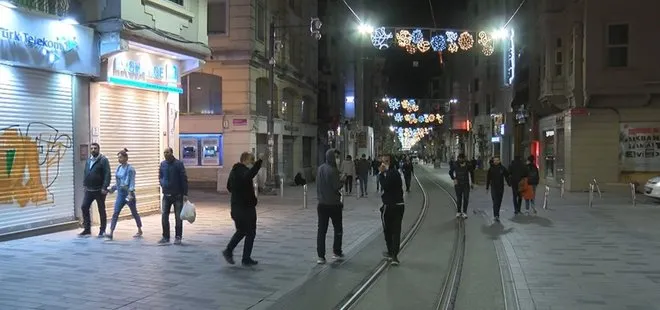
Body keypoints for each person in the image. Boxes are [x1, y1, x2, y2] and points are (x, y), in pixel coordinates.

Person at [223, 152, 263, 266]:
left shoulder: (234, 171)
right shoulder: (241, 171)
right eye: (251, 160)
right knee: (250, 232)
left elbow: (229, 187)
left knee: (242, 231)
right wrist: (259, 162)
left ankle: (230, 251)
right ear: (245, 160)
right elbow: (249, 175)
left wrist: (238, 193)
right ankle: (244, 257)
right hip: (244, 208)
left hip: (238, 207)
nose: (252, 163)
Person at [316, 149, 345, 264]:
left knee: (321, 231)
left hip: (321, 204)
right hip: (334, 204)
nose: (337, 159)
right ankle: (336, 252)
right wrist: (342, 180)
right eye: (336, 157)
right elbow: (336, 186)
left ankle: (321, 256)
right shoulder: (333, 170)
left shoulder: (320, 168)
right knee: (338, 228)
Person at [106, 149, 142, 240]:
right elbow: (118, 182)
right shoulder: (118, 168)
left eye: (121, 157)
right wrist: (112, 189)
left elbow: (132, 182)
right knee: (115, 212)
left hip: (128, 194)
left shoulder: (130, 169)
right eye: (118, 158)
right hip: (121, 194)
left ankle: (139, 229)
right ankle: (111, 232)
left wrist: (130, 194)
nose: (119, 159)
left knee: (134, 212)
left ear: (126, 158)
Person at [79, 143, 111, 237]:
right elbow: (86, 172)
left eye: (95, 148)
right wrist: (85, 184)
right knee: (84, 207)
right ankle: (87, 229)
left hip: (99, 190)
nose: (93, 150)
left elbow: (107, 174)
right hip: (89, 190)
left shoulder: (103, 160)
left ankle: (102, 230)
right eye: (92, 148)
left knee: (101, 209)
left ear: (99, 149)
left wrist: (104, 187)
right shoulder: (89, 160)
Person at [158, 147, 189, 245]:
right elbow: (160, 176)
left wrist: (185, 193)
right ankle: (165, 236)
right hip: (166, 195)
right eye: (164, 152)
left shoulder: (178, 164)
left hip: (177, 195)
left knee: (178, 217)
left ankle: (178, 237)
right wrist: (162, 183)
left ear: (172, 153)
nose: (165, 154)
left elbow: (184, 179)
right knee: (164, 216)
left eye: (167, 152)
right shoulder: (163, 164)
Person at [378, 154, 405, 265]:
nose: (384, 164)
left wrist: (380, 174)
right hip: (399, 205)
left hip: (390, 206)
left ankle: (391, 253)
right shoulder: (396, 173)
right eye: (382, 161)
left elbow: (385, 186)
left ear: (391, 162)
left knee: (388, 230)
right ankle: (394, 254)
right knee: (396, 230)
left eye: (386, 161)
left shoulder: (390, 174)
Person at [449, 154, 474, 219]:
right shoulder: (455, 164)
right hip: (458, 184)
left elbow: (472, 173)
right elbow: (450, 172)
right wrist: (454, 178)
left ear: (464, 159)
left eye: (462, 159)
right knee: (459, 198)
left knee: (466, 198)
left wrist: (472, 182)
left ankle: (465, 212)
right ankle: (459, 212)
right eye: (459, 159)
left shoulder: (468, 164)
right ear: (458, 158)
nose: (461, 160)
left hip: (466, 184)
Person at [486, 156, 510, 222]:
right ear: (493, 161)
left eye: (497, 160)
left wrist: (509, 183)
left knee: (499, 201)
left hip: (500, 187)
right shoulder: (491, 169)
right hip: (493, 187)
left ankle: (497, 214)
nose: (496, 161)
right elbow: (488, 178)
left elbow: (507, 175)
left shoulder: (502, 168)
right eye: (495, 160)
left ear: (499, 161)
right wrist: (487, 187)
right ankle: (496, 215)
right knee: (495, 201)